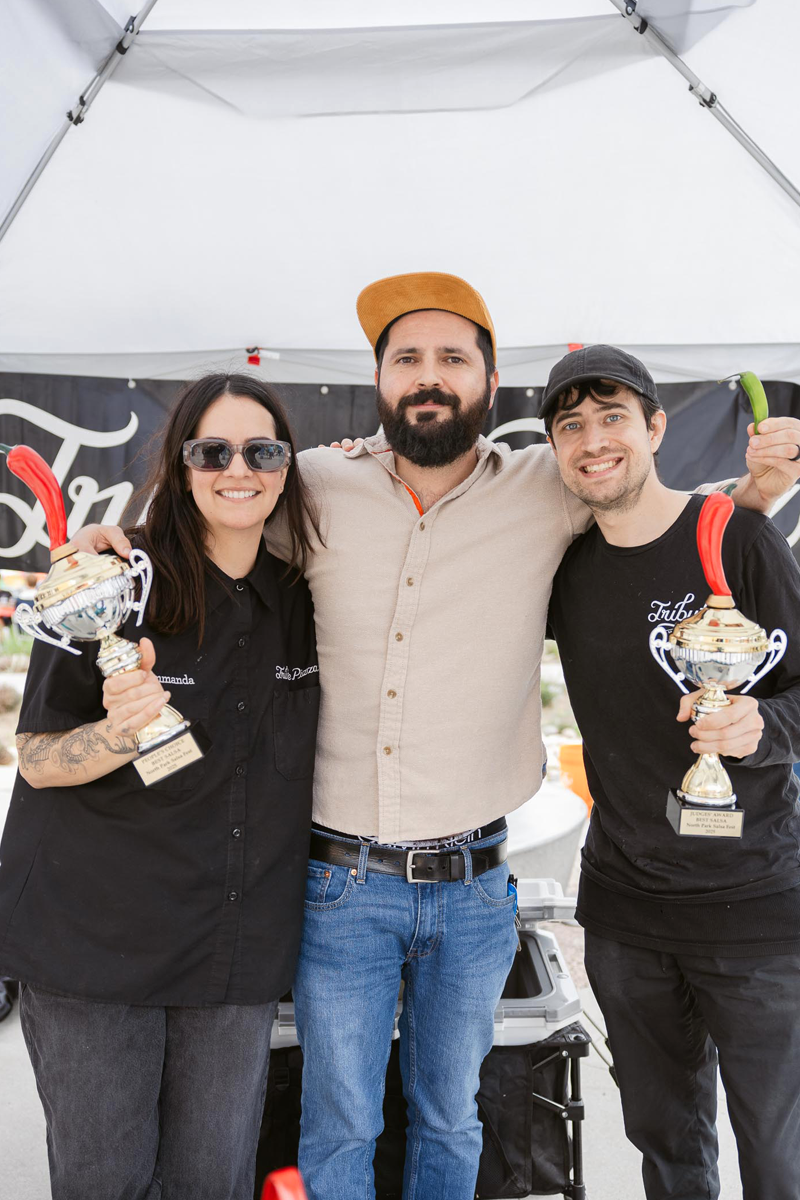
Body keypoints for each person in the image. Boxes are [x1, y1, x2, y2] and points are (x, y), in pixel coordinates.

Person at [71, 274, 800, 1200]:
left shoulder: (552, 484)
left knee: (452, 1117)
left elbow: (652, 510)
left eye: (452, 358)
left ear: (489, 386)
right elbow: (217, 506)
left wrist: (757, 489)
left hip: (475, 887)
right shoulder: (318, 482)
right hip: (342, 884)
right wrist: (115, 543)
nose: (429, 376)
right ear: (378, 382)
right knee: (341, 1121)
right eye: (406, 358)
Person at [0, 375, 321, 1200]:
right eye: (212, 451)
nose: (237, 468)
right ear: (181, 467)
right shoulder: (109, 578)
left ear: (287, 467)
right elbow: (34, 756)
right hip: (94, 952)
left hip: (232, 956)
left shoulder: (302, 599)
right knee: (106, 1182)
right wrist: (118, 729)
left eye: (262, 450)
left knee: (212, 1183)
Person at [544, 346, 800, 1200]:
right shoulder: (565, 571)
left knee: (780, 1151)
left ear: (656, 428)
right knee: (668, 1147)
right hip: (627, 917)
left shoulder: (738, 537)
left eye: (613, 416)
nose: (593, 440)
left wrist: (761, 724)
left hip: (758, 908)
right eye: (570, 424)